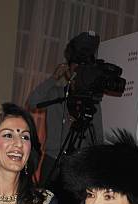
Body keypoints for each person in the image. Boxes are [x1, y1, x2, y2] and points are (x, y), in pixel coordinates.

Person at [27, 31, 103, 186]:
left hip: (78, 164)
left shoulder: (92, 101)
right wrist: (53, 78)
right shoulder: (55, 93)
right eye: (75, 67)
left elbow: (98, 138)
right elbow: (33, 102)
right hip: (53, 160)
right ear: (67, 70)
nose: (79, 72)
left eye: (83, 68)